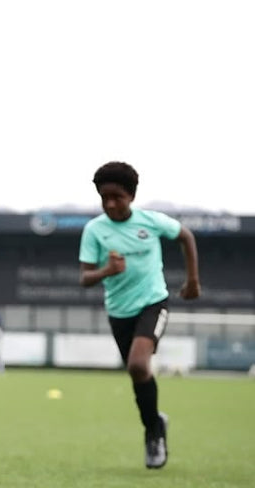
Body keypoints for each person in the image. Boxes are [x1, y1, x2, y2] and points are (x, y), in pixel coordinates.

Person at [78, 161, 200, 469]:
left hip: (153, 302)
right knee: (138, 373)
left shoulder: (151, 222)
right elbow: (85, 277)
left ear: (131, 196)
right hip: (119, 311)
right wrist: (107, 270)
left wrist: (193, 281)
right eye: (104, 197)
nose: (110, 204)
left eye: (117, 197)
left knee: (137, 364)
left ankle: (153, 435)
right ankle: (156, 421)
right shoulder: (94, 230)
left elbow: (186, 236)